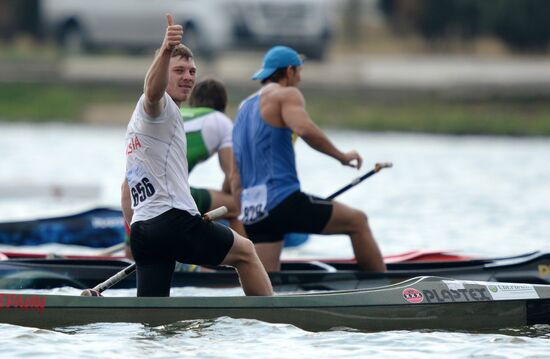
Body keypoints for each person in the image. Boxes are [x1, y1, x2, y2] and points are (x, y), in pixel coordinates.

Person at [121, 14, 273, 297]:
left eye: (192, 71)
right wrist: (166, 49)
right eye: (179, 71)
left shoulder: (139, 125)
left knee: (153, 321)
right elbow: (152, 91)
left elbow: (125, 186)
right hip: (173, 222)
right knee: (246, 252)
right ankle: (276, 322)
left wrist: (131, 232)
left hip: (144, 232)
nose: (188, 77)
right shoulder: (156, 107)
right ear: (164, 70)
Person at [231, 45, 386, 273]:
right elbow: (303, 129)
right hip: (284, 201)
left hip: (254, 213)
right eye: (299, 72)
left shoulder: (243, 109)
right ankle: (382, 291)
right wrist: (341, 156)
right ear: (290, 70)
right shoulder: (286, 94)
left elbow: (236, 176)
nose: (300, 78)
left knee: (266, 288)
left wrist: (245, 214)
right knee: (358, 221)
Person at [181, 78, 245, 235]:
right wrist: (226, 195)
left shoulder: (176, 113)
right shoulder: (219, 120)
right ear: (223, 105)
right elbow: (233, 176)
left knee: (131, 254)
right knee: (238, 205)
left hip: (137, 197)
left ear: (192, 102)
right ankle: (245, 257)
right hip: (171, 198)